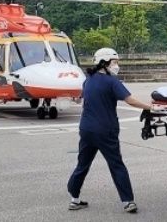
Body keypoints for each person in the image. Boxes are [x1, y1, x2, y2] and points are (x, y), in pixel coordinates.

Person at [67, 47, 158, 214]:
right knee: (116, 165)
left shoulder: (89, 80)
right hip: (105, 130)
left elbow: (82, 98)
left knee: (83, 164)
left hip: (86, 129)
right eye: (115, 62)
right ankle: (128, 201)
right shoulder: (112, 81)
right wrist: (150, 107)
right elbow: (130, 100)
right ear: (105, 63)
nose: (117, 65)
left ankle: (74, 198)